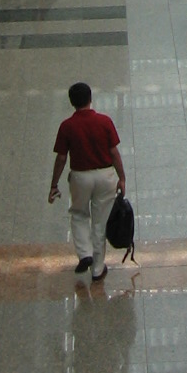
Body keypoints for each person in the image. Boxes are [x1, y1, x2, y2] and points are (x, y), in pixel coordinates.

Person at [48, 81, 126, 279]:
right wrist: (122, 178)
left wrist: (54, 184)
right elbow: (114, 152)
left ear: (72, 103)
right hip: (106, 176)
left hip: (80, 177)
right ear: (91, 99)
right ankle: (98, 269)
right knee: (100, 223)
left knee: (79, 214)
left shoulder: (67, 126)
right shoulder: (105, 121)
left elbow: (61, 158)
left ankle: (85, 254)